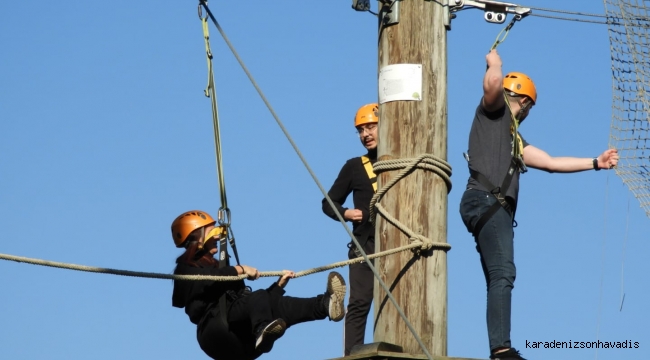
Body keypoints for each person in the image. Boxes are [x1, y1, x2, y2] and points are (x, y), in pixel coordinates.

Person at [459, 49, 619, 360]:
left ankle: (499, 346)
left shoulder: (513, 138)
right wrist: (496, 64)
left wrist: (595, 163)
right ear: (524, 101)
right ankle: (502, 350)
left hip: (488, 205)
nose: (524, 110)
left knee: (499, 275)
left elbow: (550, 162)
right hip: (487, 201)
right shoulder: (493, 112)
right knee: (503, 272)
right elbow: (491, 87)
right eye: (525, 104)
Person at [171, 210, 347, 360]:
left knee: (277, 304)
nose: (217, 236)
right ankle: (263, 330)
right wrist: (239, 269)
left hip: (242, 336)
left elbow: (250, 303)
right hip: (215, 330)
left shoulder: (219, 266)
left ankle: (325, 304)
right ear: (197, 236)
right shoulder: (185, 268)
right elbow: (205, 279)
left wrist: (278, 287)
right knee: (259, 297)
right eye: (211, 231)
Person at [322, 103, 378, 356]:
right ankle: (352, 355)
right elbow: (328, 202)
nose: (365, 134)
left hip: (399, 242)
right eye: (360, 130)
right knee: (359, 302)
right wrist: (345, 213)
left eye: (371, 127)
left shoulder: (404, 163)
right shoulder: (356, 166)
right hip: (365, 244)